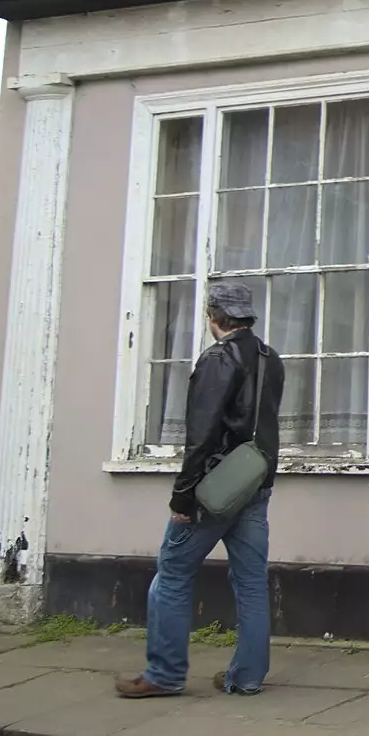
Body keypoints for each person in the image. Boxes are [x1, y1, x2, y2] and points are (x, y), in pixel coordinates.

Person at [115, 282, 285, 699]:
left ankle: (164, 674)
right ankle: (246, 677)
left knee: (172, 573)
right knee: (250, 582)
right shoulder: (271, 359)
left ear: (214, 317)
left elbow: (203, 435)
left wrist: (183, 496)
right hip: (254, 484)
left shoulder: (217, 359)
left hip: (214, 489)